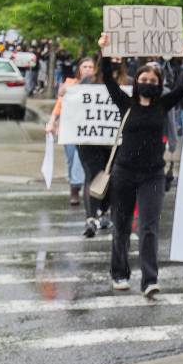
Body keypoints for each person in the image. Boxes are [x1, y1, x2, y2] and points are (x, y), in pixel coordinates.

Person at [98, 33, 183, 296]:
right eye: (143, 80)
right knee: (120, 225)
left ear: (159, 84)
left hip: (153, 174)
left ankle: (150, 279)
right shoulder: (125, 102)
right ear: (136, 82)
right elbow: (107, 78)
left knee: (149, 228)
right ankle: (119, 273)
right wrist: (105, 52)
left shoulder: (163, 105)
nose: (148, 83)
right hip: (124, 173)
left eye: (153, 81)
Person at [78, 57, 129, 237]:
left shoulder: (129, 83)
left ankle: (104, 212)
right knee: (93, 175)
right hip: (90, 140)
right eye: (111, 55)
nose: (115, 59)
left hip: (116, 140)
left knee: (113, 176)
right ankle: (90, 218)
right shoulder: (88, 82)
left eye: (118, 56)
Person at [45, 57, 94, 206]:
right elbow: (59, 105)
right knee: (71, 158)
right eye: (84, 66)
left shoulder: (98, 86)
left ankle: (75, 187)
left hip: (88, 130)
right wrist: (52, 122)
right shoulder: (70, 84)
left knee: (80, 159)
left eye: (91, 67)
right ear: (79, 68)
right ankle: (75, 184)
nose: (87, 69)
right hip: (69, 128)